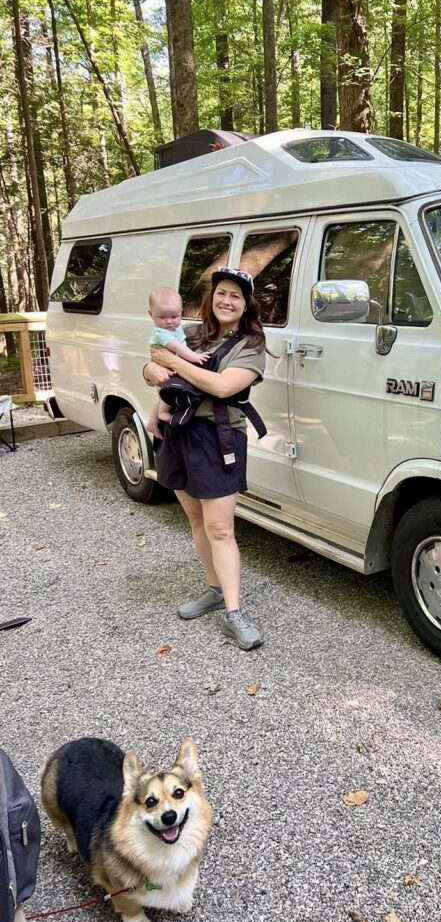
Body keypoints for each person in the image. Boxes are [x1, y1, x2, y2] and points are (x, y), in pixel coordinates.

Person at [143, 267, 266, 651]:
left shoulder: (252, 344)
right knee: (195, 518)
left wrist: (173, 362)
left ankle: (234, 613)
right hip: (180, 435)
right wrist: (151, 369)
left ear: (247, 304)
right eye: (221, 293)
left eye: (236, 295)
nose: (226, 300)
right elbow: (152, 366)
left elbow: (222, 385)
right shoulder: (194, 334)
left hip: (218, 438)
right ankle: (214, 590)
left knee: (221, 529)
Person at [145, 287, 210, 439]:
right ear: (150, 314)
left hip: (168, 366)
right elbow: (177, 348)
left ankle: (152, 423)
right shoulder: (161, 333)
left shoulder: (177, 328)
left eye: (174, 316)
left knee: (163, 395)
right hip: (164, 369)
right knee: (168, 394)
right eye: (162, 317)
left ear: (181, 311)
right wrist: (195, 357)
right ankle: (162, 413)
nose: (169, 321)